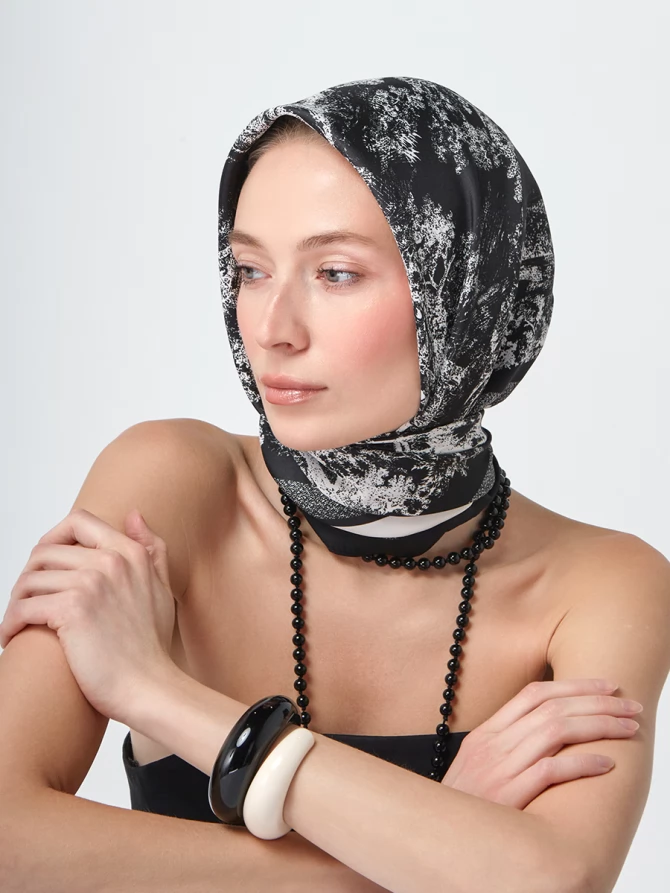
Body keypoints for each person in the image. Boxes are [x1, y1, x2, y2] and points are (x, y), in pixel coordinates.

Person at [0, 76, 668, 892]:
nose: (271, 329)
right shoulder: (172, 486)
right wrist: (429, 844)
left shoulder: (603, 582)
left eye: (337, 274)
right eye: (250, 269)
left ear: (465, 290)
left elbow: (555, 881)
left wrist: (156, 690)